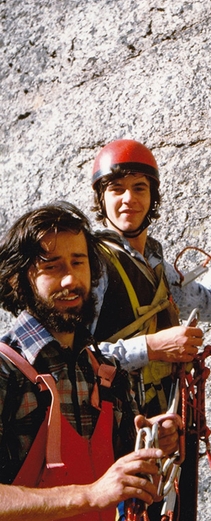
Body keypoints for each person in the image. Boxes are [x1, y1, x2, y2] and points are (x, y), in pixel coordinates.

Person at [90, 139, 211, 518]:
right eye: (116, 189)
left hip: (165, 425)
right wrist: (152, 347)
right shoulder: (94, 264)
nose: (127, 199)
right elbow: (80, 357)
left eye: (139, 188)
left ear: (153, 197)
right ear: (101, 200)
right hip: (115, 430)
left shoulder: (156, 263)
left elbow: (209, 302)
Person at [0, 203, 179, 521]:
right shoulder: (6, 370)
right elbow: (100, 491)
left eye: (78, 262)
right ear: (17, 280)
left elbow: (120, 477)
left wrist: (153, 442)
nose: (70, 279)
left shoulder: (104, 371)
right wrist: (90, 494)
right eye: (52, 266)